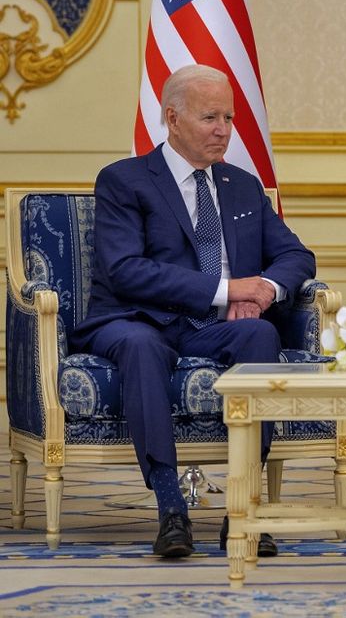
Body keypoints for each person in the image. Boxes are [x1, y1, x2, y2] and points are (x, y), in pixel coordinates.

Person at [72, 64, 316, 558]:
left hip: (213, 329)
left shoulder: (242, 186)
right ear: (172, 118)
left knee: (261, 337)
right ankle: (171, 511)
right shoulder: (125, 181)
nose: (224, 130)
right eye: (210, 117)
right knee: (140, 347)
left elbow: (297, 256)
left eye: (229, 117)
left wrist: (264, 290)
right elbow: (125, 270)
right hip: (137, 320)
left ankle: (241, 511)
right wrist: (228, 290)